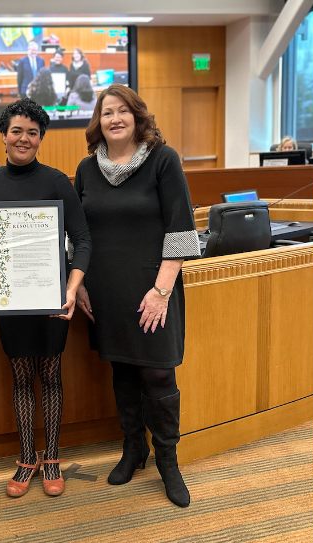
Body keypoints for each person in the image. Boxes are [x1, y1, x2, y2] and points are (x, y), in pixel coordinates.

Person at [74, 85, 200, 508]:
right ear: (98, 122)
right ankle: (134, 448)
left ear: (137, 116)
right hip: (106, 289)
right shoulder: (87, 169)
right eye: (106, 112)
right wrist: (82, 284)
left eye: (122, 111)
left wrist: (162, 291)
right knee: (123, 370)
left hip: (153, 289)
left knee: (159, 374)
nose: (114, 118)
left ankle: (168, 460)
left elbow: (181, 231)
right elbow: (80, 236)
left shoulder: (163, 160)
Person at [0, 98, 92, 498]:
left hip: (52, 296)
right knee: (21, 376)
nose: (24, 139)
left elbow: (84, 240)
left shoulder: (58, 182)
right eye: (17, 131)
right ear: (3, 136)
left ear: (41, 139)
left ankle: (52, 455)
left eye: (33, 133)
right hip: (12, 298)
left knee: (52, 375)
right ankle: (27, 457)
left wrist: (72, 289)